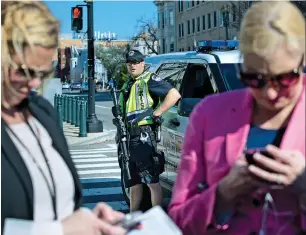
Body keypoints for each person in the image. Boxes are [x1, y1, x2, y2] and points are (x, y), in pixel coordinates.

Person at [168, 2, 306, 235]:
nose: (270, 93)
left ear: (302, 63)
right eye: (254, 79)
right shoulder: (210, 114)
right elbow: (179, 221)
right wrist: (223, 194)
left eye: (284, 79)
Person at [1, 2, 127, 235]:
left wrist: (88, 219)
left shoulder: (41, 112)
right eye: (25, 71)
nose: (36, 84)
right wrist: (61, 230)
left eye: (43, 72)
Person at [116, 49, 181, 212]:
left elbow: (174, 94)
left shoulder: (149, 79)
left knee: (151, 180)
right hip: (130, 137)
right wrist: (119, 133)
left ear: (142, 63)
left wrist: (157, 113)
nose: (133, 65)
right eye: (130, 62)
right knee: (134, 181)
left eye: (136, 62)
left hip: (145, 135)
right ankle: (133, 215)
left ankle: (157, 217)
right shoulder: (127, 85)